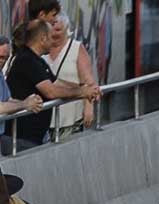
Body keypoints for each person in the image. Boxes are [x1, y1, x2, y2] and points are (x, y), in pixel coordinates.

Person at [4, 19, 98, 150]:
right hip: (21, 138)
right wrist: (82, 92)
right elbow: (51, 91)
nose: (53, 41)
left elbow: (57, 83)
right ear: (42, 39)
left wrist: (86, 88)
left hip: (35, 137)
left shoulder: (38, 61)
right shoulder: (27, 60)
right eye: (50, 37)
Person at [44, 14, 97, 138]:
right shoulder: (41, 49)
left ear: (66, 29)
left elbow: (88, 81)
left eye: (58, 30)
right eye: (51, 29)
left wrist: (89, 106)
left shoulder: (76, 48)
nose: (54, 34)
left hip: (71, 118)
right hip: (44, 118)